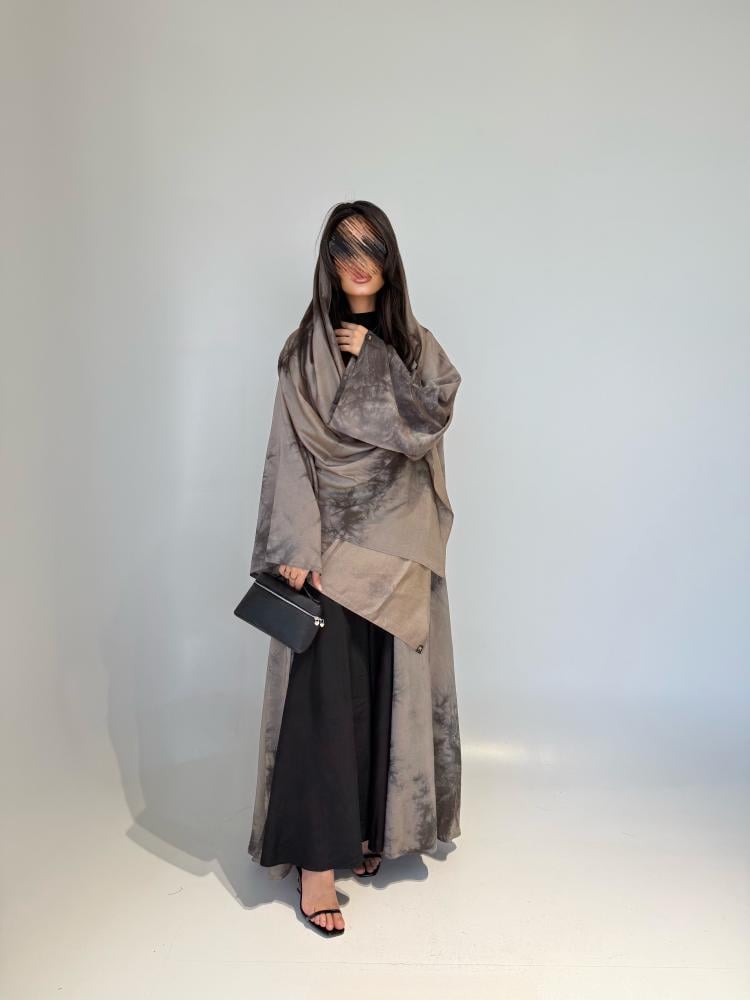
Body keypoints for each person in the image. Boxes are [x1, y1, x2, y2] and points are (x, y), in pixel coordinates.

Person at [246, 200, 462, 936]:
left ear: (389, 259)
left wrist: (376, 361)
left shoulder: (414, 346)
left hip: (396, 547)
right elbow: (290, 450)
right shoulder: (302, 350)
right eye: (345, 249)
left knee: (380, 693)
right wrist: (296, 546)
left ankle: (370, 830)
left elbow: (428, 421)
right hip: (328, 549)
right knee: (322, 704)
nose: (359, 263)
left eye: (371, 248)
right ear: (328, 262)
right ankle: (316, 863)